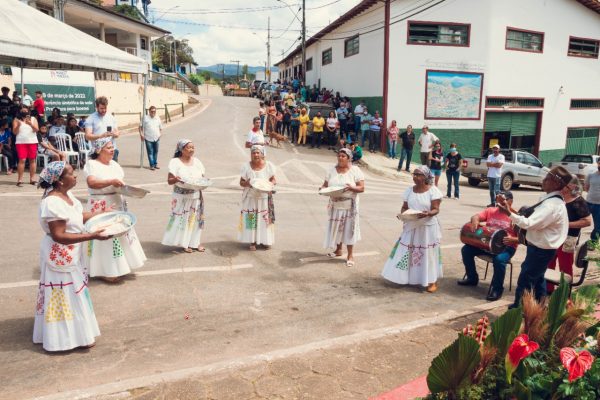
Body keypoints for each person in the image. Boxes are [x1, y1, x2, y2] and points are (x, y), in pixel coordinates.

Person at [34, 161, 110, 352]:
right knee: (65, 293)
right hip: (60, 253)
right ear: (59, 181)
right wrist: (92, 236)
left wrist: (100, 214)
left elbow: (77, 216)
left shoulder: (67, 196)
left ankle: (79, 332)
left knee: (75, 291)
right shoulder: (52, 202)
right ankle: (63, 339)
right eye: (70, 173)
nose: (75, 175)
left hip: (71, 251)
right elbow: (59, 235)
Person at [496, 166, 571, 309]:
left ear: (556, 183)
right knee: (538, 279)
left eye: (548, 178)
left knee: (525, 282)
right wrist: (509, 209)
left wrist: (508, 213)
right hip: (540, 250)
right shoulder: (552, 201)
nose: (544, 180)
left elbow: (529, 223)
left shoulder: (551, 205)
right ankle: (540, 308)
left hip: (540, 251)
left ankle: (518, 312)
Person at [83, 138, 146, 282]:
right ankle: (106, 270)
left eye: (113, 147)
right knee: (104, 235)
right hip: (100, 203)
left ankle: (121, 266)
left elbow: (120, 183)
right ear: (99, 150)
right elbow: (92, 183)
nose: (112, 150)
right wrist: (110, 182)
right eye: (108, 147)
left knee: (120, 233)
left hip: (117, 201)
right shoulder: (91, 164)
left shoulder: (115, 165)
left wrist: (130, 190)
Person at [381, 165, 442, 293]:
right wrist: (404, 214)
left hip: (426, 228)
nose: (415, 177)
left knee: (428, 253)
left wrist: (428, 213)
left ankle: (432, 281)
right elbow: (404, 207)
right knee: (408, 252)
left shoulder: (433, 191)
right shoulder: (409, 191)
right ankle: (409, 278)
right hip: (411, 225)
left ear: (426, 177)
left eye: (418, 174)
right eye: (414, 174)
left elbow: (436, 209)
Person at [458, 191, 520, 301]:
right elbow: (476, 216)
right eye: (498, 199)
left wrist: (513, 239)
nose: (499, 202)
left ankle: (497, 289)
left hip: (506, 247)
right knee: (466, 250)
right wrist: (475, 220)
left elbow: (524, 238)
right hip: (487, 244)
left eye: (503, 199)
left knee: (499, 259)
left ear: (510, 201)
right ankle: (472, 278)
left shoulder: (515, 216)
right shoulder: (491, 211)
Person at [320, 148, 365, 267]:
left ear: (349, 158)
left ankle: (350, 255)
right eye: (339, 156)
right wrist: (322, 190)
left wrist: (351, 188)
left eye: (343, 156)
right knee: (337, 227)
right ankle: (338, 250)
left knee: (348, 229)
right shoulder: (331, 170)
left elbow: (361, 188)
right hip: (335, 204)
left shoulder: (355, 170)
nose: (340, 158)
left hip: (349, 206)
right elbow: (325, 185)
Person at [546, 176, 591, 293]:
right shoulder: (559, 197)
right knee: (549, 261)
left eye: (565, 184)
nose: (562, 185)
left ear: (573, 186)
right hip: (553, 236)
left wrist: (566, 224)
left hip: (568, 239)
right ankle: (548, 290)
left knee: (565, 266)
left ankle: (565, 293)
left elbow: (587, 221)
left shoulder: (579, 201)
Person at [162, 139, 207, 253]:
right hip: (181, 197)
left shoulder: (197, 162)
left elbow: (201, 178)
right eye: (189, 147)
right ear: (182, 149)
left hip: (195, 195)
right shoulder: (175, 162)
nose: (192, 149)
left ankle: (195, 243)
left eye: (193, 147)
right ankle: (184, 243)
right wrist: (175, 179)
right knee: (182, 219)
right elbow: (169, 181)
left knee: (195, 220)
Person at [238, 145, 276, 251]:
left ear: (262, 154)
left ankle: (265, 241)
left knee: (264, 219)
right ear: (251, 154)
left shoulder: (269, 166)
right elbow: (241, 182)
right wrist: (247, 183)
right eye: (253, 153)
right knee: (251, 219)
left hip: (264, 197)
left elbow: (273, 179)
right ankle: (252, 241)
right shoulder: (246, 166)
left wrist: (270, 184)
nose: (255, 155)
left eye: (258, 153)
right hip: (250, 197)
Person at [84, 96, 120, 162]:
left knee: (113, 171)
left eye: (105, 108)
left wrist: (114, 134)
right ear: (97, 107)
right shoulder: (91, 118)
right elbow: (87, 136)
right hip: (98, 152)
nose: (104, 110)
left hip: (112, 150)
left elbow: (117, 133)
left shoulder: (111, 117)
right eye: (101, 108)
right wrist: (101, 136)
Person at [13, 105, 39, 187]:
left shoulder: (33, 119)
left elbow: (36, 130)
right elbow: (15, 132)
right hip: (21, 142)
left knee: (32, 160)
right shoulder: (16, 119)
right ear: (20, 111)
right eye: (23, 110)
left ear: (28, 110)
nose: (24, 111)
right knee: (22, 160)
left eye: (26, 109)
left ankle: (32, 179)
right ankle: (19, 180)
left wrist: (30, 124)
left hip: (32, 141)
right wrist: (18, 125)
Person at [139, 106, 163, 170]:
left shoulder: (157, 118)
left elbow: (160, 127)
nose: (153, 112)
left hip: (156, 137)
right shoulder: (145, 118)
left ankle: (155, 164)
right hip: (148, 138)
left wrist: (160, 134)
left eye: (154, 111)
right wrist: (141, 134)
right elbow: (140, 127)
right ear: (149, 111)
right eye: (152, 111)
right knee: (150, 152)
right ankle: (152, 165)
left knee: (156, 151)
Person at [584, 158, 600, 240]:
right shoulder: (591, 175)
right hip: (588, 203)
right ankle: (573, 241)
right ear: (598, 164)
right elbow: (586, 188)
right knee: (579, 223)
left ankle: (593, 242)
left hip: (599, 206)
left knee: (598, 227)